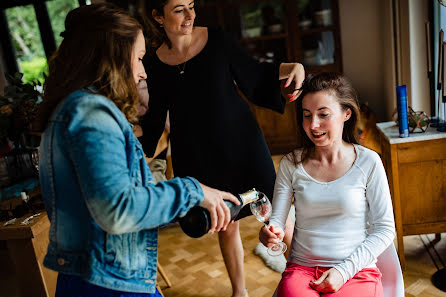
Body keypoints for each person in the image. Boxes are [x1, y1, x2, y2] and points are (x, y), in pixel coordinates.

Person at [35, 4, 239, 297]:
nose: (143, 72)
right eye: (139, 58)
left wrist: (188, 205)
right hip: (108, 282)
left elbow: (112, 202)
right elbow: (118, 210)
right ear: (113, 57)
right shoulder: (91, 113)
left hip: (95, 276)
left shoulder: (69, 108)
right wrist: (192, 191)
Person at [139, 1, 305, 296]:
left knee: (276, 213)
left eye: (191, 6)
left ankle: (301, 284)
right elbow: (152, 118)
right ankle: (239, 292)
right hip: (198, 153)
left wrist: (292, 67)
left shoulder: (217, 40)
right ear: (157, 16)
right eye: (179, 9)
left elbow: (254, 71)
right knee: (225, 222)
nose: (190, 15)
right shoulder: (153, 64)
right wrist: (133, 145)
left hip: (242, 144)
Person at [259, 72, 396, 297]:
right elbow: (277, 221)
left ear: (346, 114)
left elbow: (384, 229)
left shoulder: (369, 162)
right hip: (302, 270)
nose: (313, 125)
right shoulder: (291, 164)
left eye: (323, 114)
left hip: (355, 270)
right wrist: (269, 233)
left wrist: (343, 271)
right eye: (307, 115)